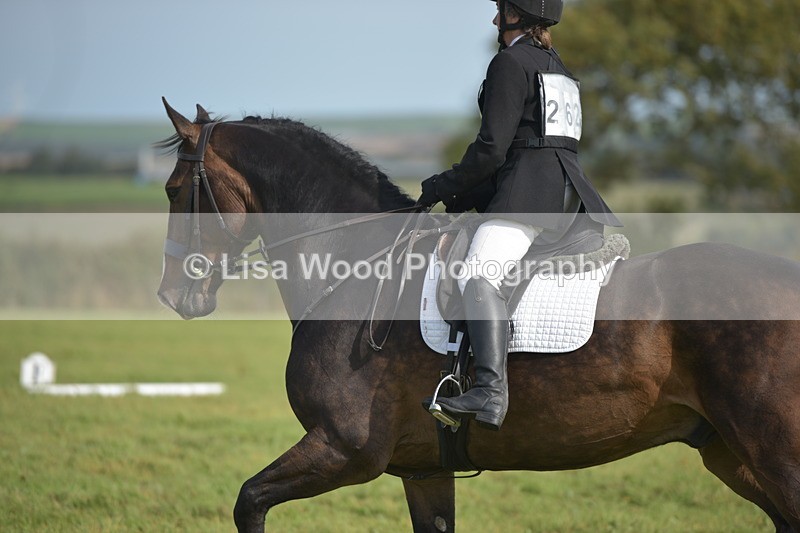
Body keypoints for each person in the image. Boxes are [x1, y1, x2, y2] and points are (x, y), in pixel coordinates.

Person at [418, 0, 622, 431]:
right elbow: (534, 146)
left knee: (480, 275)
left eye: (500, 10)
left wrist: (441, 186)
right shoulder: (559, 69)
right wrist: (464, 198)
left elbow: (492, 151)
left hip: (530, 197)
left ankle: (490, 390)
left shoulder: (509, 63)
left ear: (516, 15)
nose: (495, 19)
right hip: (568, 197)